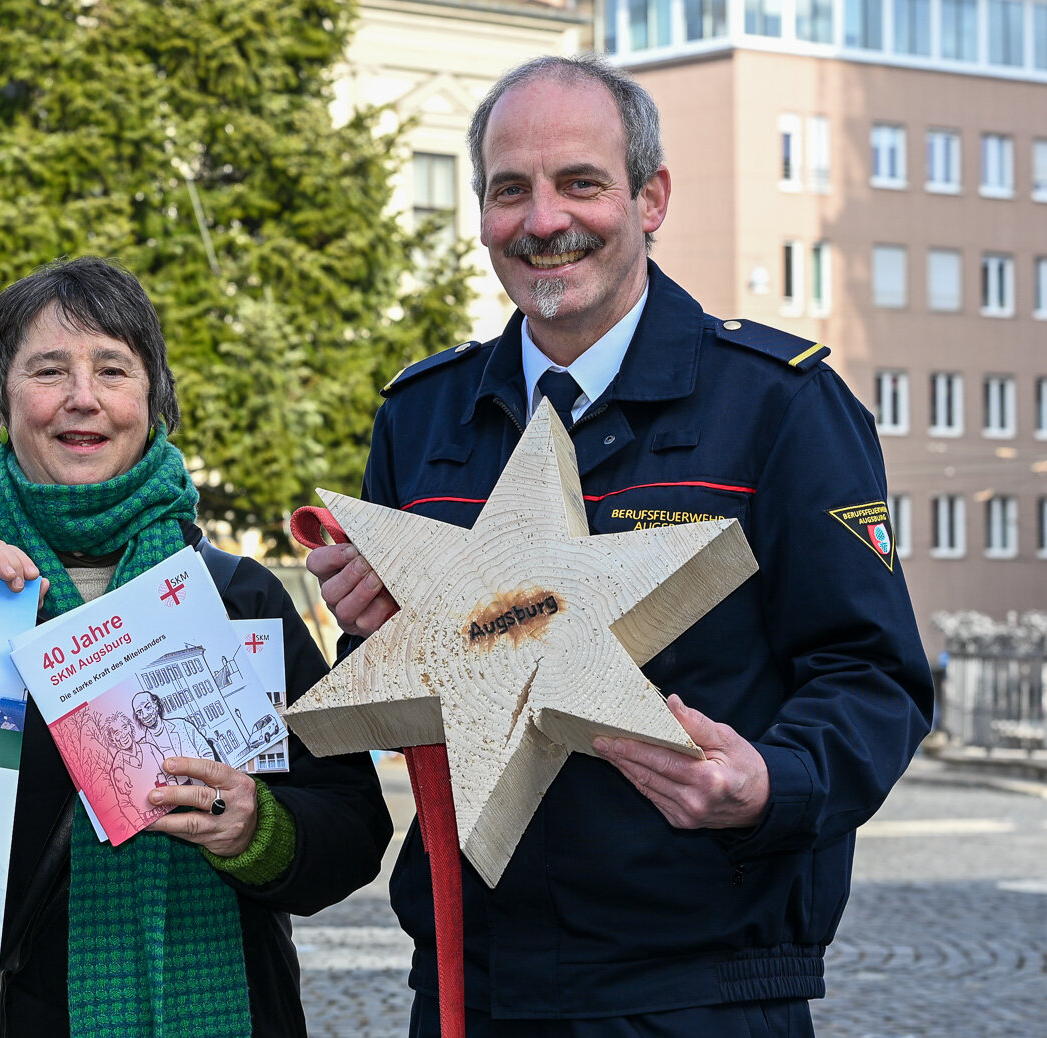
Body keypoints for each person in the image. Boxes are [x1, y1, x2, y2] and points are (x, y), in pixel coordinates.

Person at [305, 55, 933, 1037]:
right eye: (509, 189)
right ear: (480, 213)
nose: (543, 219)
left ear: (651, 198)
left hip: (701, 993)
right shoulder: (423, 417)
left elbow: (872, 675)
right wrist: (384, 633)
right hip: (475, 989)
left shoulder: (782, 406)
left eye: (580, 182)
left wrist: (772, 783)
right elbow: (403, 702)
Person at [0, 256, 392, 1036]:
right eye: (48, 369)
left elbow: (353, 826)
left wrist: (256, 829)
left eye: (112, 370)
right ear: (1, 400)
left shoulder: (239, 599)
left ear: (153, 400)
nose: (82, 399)